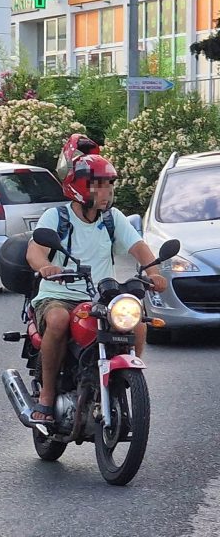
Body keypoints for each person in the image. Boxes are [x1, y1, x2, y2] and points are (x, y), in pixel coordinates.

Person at [25, 134, 168, 424]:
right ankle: (48, 395)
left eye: (109, 184)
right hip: (59, 295)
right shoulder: (57, 217)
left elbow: (138, 247)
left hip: (102, 296)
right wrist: (46, 267)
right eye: (99, 184)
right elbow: (35, 252)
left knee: (137, 323)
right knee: (57, 321)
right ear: (79, 187)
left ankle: (124, 385)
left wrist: (153, 271)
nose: (106, 191)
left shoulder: (112, 218)